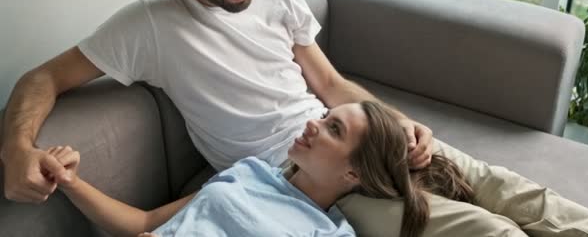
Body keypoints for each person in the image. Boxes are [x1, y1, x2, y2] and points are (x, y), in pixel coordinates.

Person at [1, 0, 588, 236]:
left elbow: (330, 84)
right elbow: (41, 79)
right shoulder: (149, 25)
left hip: (346, 131)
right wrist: (18, 150)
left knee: (509, 190)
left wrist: (395, 120)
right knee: (483, 231)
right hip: (296, 174)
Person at [44, 101, 475, 237]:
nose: (313, 123)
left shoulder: (329, 234)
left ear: (353, 175)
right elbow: (143, 221)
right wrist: (71, 182)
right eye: (325, 116)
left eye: (333, 129)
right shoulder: (250, 171)